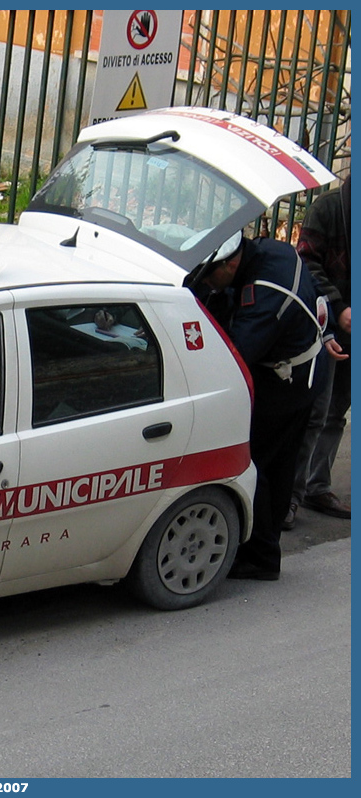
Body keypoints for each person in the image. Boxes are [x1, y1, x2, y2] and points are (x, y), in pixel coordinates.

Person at [188, 229, 329, 580]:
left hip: (287, 383)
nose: (207, 281)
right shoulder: (273, 251)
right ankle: (269, 545)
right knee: (281, 463)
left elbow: (236, 355)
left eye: (211, 274)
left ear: (232, 262)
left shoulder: (265, 298)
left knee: (255, 463)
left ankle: (260, 556)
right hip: (303, 369)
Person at [285, 174, 351, 528]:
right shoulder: (327, 209)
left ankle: (317, 486)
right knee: (314, 413)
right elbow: (306, 264)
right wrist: (339, 306)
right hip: (323, 325)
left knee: (337, 411)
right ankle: (290, 496)